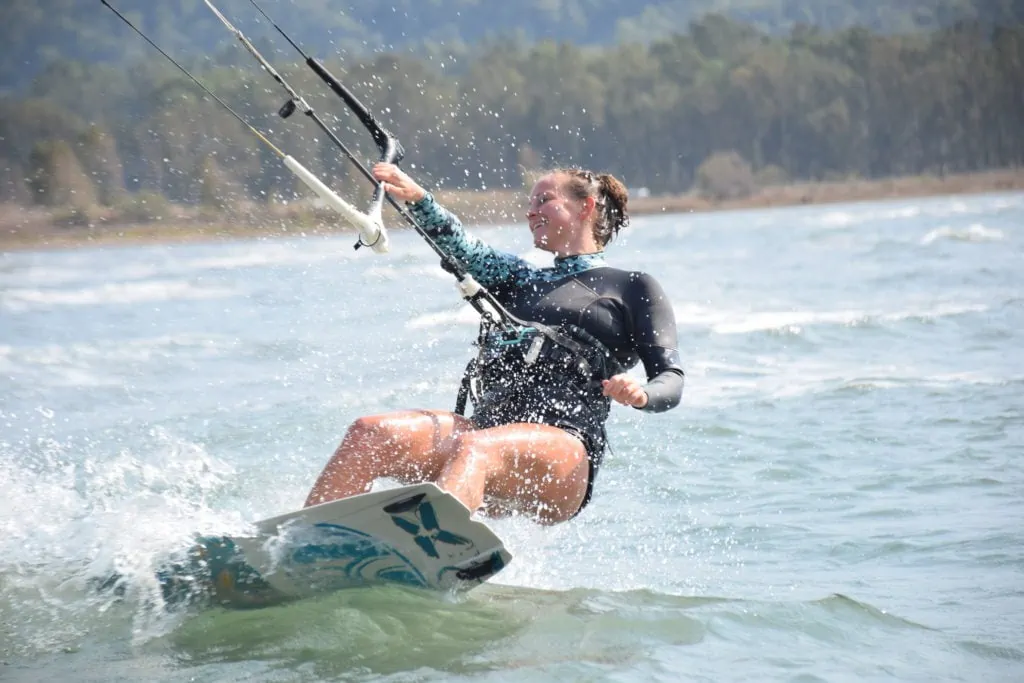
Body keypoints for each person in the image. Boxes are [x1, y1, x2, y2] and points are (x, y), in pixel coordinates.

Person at [304, 162, 684, 523]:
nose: (530, 212)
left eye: (543, 200)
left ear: (585, 206)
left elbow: (671, 378)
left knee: (476, 449)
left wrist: (641, 394)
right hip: (485, 437)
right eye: (529, 203)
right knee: (371, 433)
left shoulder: (632, 286)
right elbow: (464, 248)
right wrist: (420, 200)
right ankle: (305, 546)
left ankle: (425, 549)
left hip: (566, 452)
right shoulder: (518, 278)